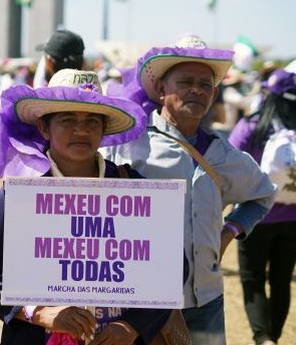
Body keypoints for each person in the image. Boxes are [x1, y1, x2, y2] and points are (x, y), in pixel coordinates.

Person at [0, 69, 177, 345]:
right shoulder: (22, 194)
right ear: (44, 127)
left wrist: (133, 325)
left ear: (103, 128)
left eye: (92, 120)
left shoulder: (133, 189)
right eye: (67, 120)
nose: (81, 130)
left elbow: (172, 266)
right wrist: (37, 312)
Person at [106, 35, 276, 345]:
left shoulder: (224, 154)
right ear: (160, 89)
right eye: (185, 81)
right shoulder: (130, 146)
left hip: (207, 300)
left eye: (205, 84)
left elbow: (263, 194)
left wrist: (230, 231)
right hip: (144, 303)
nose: (196, 90)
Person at [228, 70, 296, 345]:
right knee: (282, 280)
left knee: (253, 278)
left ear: (270, 93)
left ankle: (263, 338)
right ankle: (274, 338)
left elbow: (231, 159)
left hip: (256, 215)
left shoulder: (253, 125)